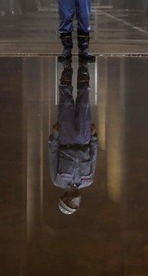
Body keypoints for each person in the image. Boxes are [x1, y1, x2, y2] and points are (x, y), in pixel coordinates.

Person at [48, 64, 97, 215]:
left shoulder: (58, 180)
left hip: (66, 138)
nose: (76, 203)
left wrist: (55, 136)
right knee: (84, 100)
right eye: (76, 206)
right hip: (84, 139)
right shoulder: (88, 180)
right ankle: (84, 65)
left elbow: (53, 155)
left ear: (65, 199)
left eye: (72, 204)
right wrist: (94, 137)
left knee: (66, 102)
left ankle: (66, 65)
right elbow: (94, 157)